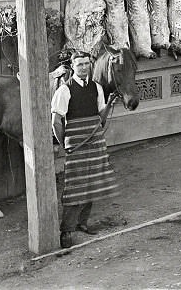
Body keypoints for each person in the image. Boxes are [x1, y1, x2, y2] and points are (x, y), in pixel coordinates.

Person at [50, 50, 118, 249]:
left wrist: (110, 102)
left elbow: (101, 117)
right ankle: (67, 230)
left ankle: (82, 222)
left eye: (87, 64)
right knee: (74, 188)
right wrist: (64, 144)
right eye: (79, 65)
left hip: (95, 143)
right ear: (72, 67)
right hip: (76, 146)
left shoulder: (96, 87)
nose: (84, 68)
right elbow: (56, 122)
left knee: (91, 184)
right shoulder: (64, 90)